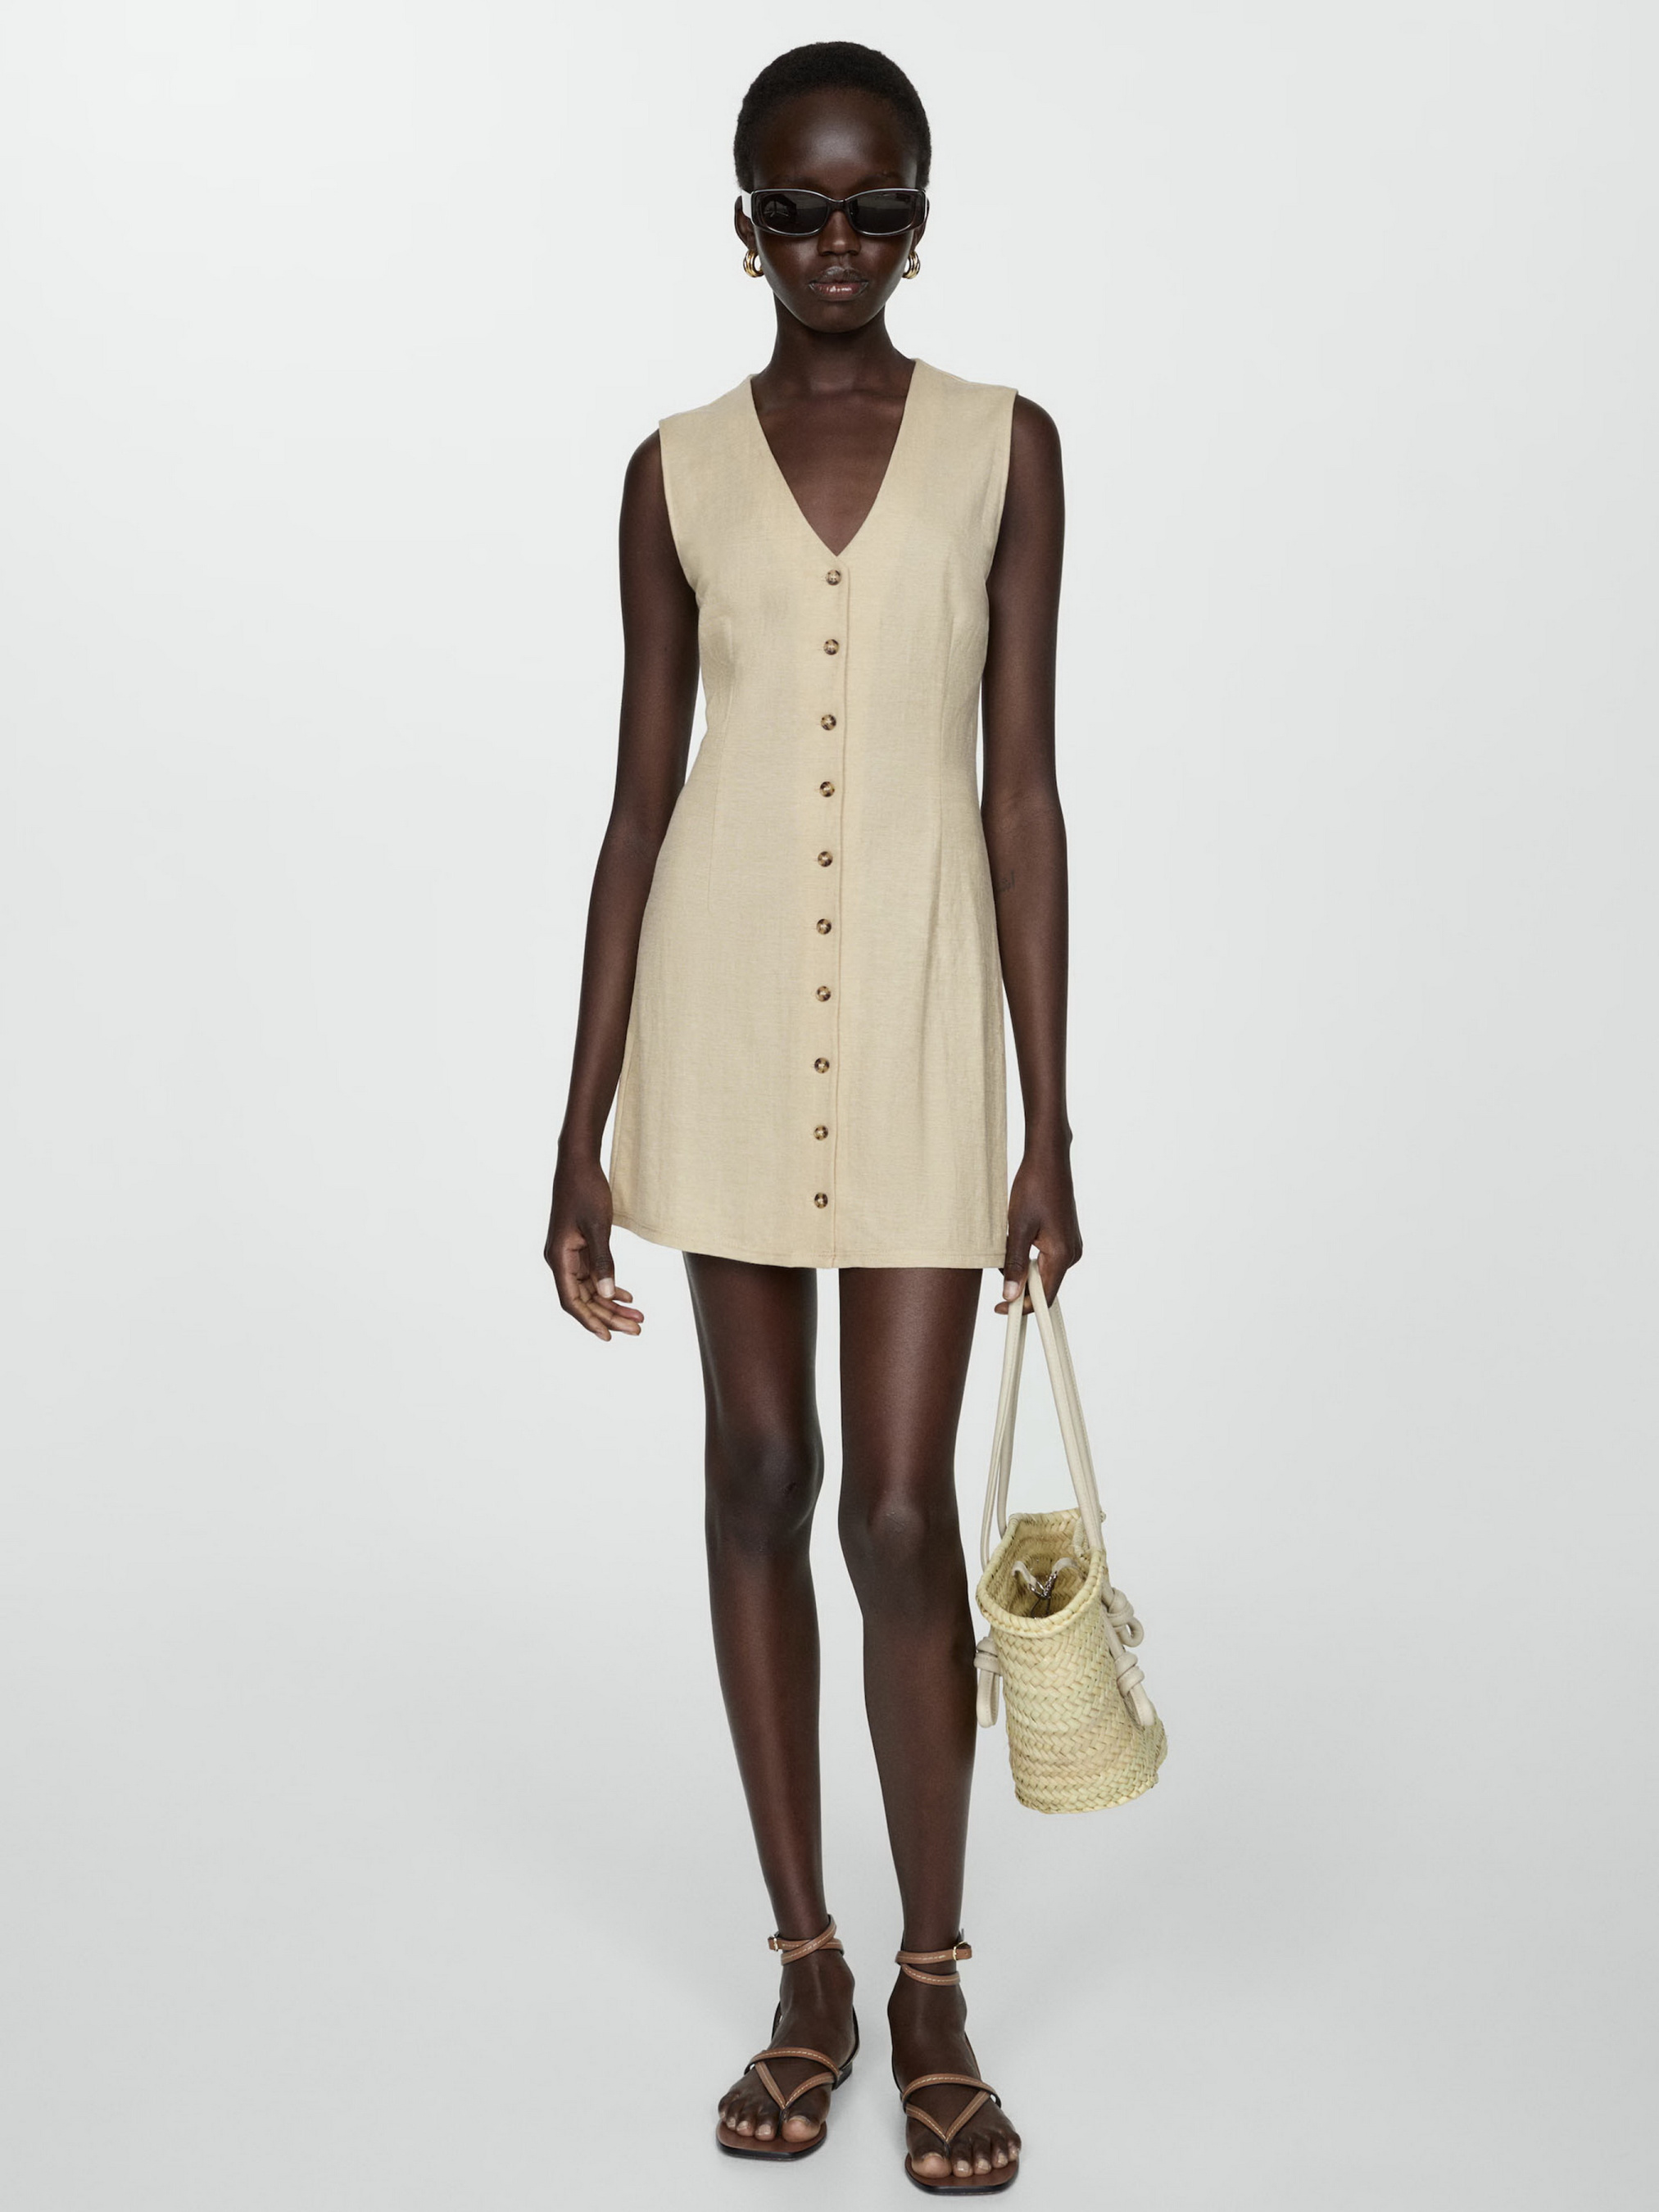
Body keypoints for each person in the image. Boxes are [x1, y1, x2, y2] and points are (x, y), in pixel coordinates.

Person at [544, 41, 1078, 2192]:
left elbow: (1021, 798)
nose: (835, 244)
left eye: (876, 208)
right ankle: (808, 1965)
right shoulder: (670, 471)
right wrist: (577, 1124)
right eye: (797, 208)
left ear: (922, 221)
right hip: (728, 1013)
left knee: (897, 1512)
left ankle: (934, 1980)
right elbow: (636, 804)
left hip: (933, 1019)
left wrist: (1054, 1124)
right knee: (758, 1474)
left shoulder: (1008, 449)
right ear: (744, 222)